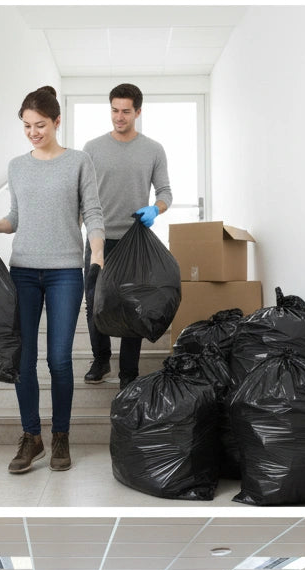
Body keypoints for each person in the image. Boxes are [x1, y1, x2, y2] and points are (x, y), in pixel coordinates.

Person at [0, 86, 105, 473]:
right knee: (23, 360)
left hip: (65, 272)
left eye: (40, 125)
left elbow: (93, 214)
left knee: (59, 359)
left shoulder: (78, 161)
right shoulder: (17, 166)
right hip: (23, 271)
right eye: (27, 126)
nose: (33, 132)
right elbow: (16, 216)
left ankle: (61, 435)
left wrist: (97, 257)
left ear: (57, 121)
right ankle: (32, 437)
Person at [82, 83, 172, 389]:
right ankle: (101, 360)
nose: (119, 117)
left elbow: (165, 192)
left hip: (134, 240)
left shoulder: (153, 149)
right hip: (99, 238)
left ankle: (128, 373)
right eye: (114, 110)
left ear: (138, 112)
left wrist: (156, 209)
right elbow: (81, 194)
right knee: (95, 302)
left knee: (133, 306)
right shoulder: (92, 148)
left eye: (125, 111)